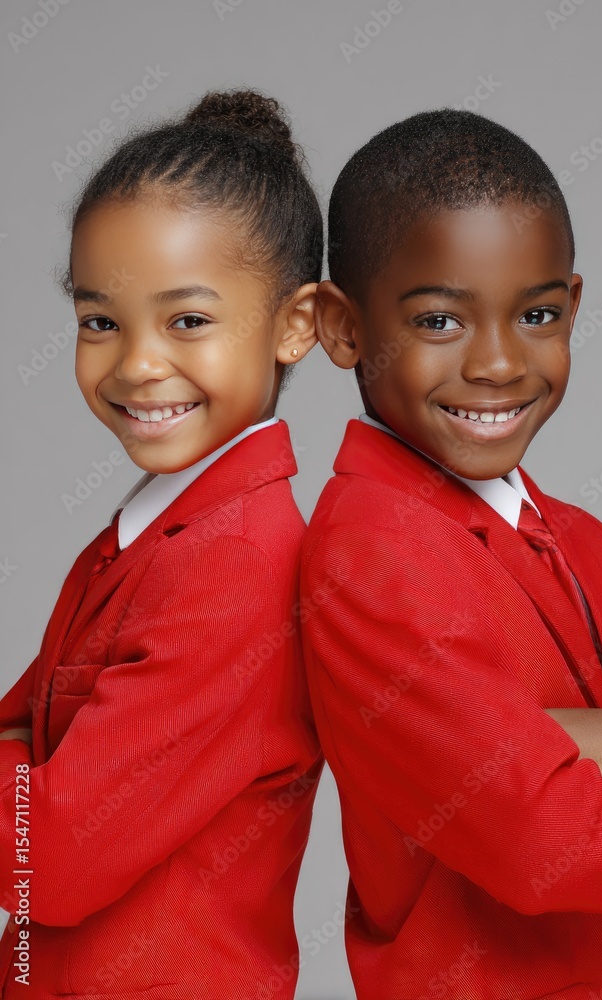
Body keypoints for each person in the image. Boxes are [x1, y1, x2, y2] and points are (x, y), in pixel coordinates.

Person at [301, 108, 602, 998]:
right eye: (439, 321)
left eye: (535, 314)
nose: (499, 363)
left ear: (572, 306)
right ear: (342, 327)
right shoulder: (368, 555)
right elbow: (544, 843)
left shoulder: (582, 538)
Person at [0, 89, 323, 998]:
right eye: (100, 321)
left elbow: (44, 861)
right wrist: (29, 773)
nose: (137, 364)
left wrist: (28, 775)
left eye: (188, 320)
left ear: (295, 324)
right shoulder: (150, 534)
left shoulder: (236, 564)